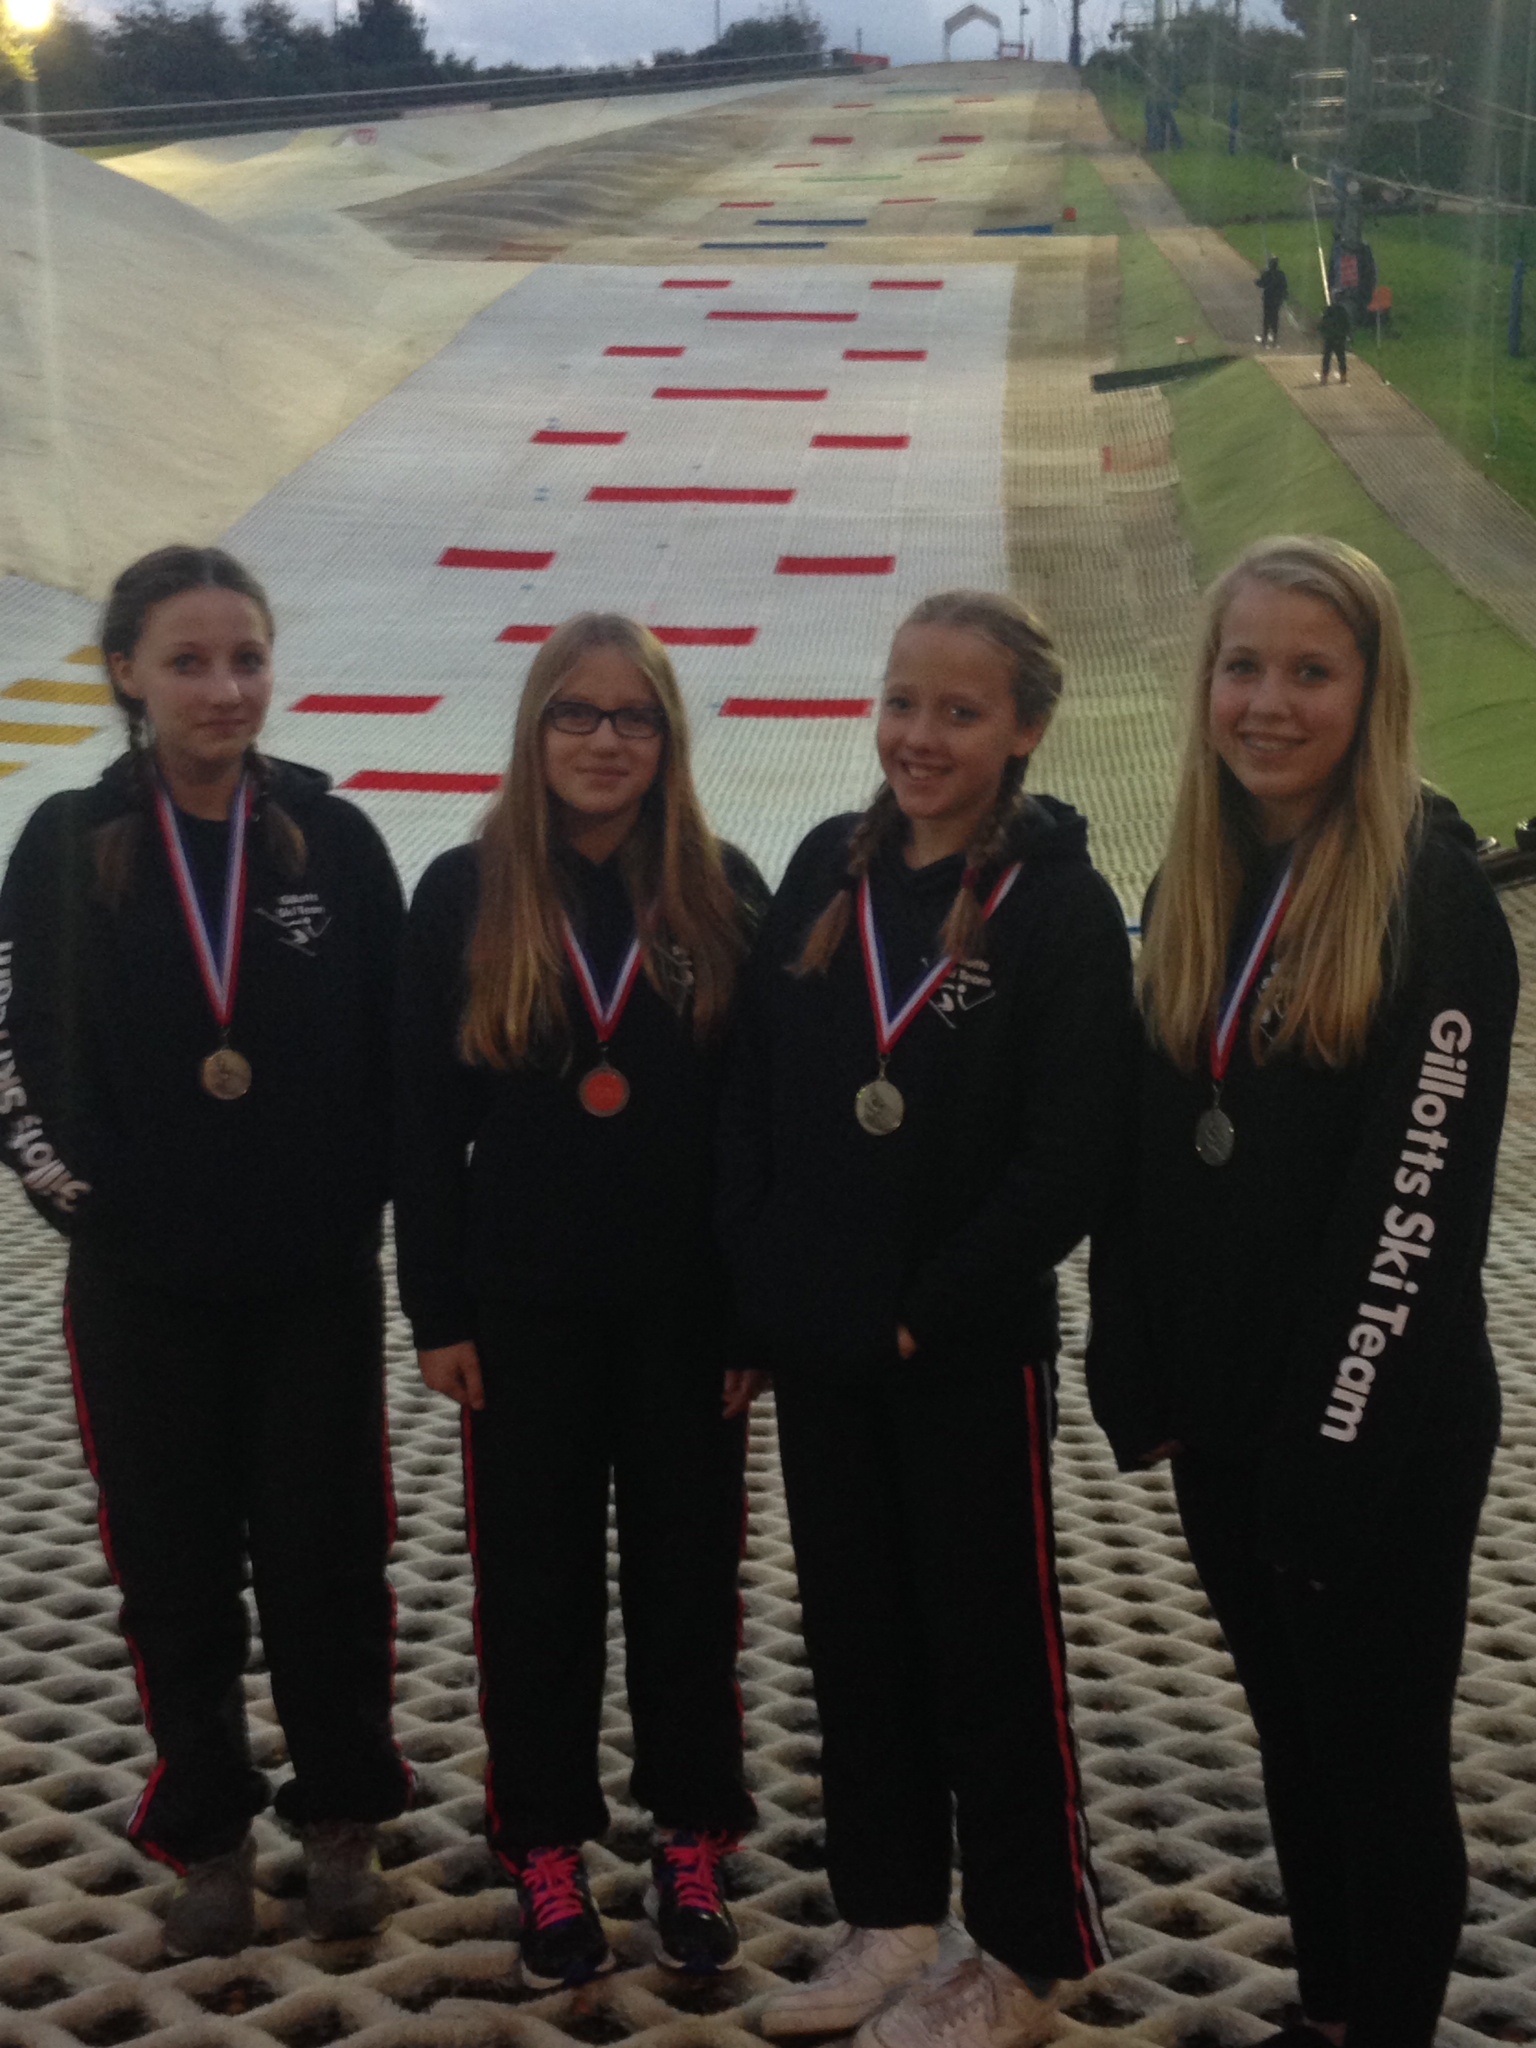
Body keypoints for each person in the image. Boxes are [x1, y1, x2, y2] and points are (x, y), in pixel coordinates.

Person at [1087, 537, 1518, 2048]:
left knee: (1377, 1758)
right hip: (1226, 1423)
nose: (1268, 703)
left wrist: (1330, 1453)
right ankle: (1331, 2013)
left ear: (1373, 691)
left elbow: (1414, 1220)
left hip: (1374, 1428)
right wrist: (1135, 1363)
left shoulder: (1436, 903)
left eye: (1310, 672)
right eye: (1243, 666)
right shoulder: (1194, 881)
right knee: (1292, 1739)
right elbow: (1148, 1156)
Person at [718, 591, 1130, 2048]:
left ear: (1025, 730)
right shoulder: (827, 864)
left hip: (963, 1352)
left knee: (988, 1653)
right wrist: (768, 1291)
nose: (921, 737)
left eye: (961, 711)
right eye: (903, 701)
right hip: (827, 1342)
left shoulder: (1061, 910)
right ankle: (889, 1913)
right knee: (856, 1639)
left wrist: (924, 1314)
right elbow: (758, 1094)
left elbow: (1070, 1157)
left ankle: (1026, 1949)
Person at [0, 546, 412, 1957]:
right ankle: (209, 1829)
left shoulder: (333, 841)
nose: (225, 688)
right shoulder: (66, 843)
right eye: (189, 661)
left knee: (328, 1558)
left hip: (310, 1285)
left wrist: (351, 1209)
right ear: (127, 672)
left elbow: (397, 1054)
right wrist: (99, 1212)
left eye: (247, 658)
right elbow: (21, 1054)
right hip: (142, 1286)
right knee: (171, 1571)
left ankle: (343, 1811)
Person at [393, 614, 767, 1990]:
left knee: (690, 1584)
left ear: (668, 738)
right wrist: (437, 1309)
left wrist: (753, 1317)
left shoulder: (722, 891)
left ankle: (691, 1833)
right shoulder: (464, 891)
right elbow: (421, 1124)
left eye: (635, 717)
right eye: (577, 712)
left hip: (686, 1319)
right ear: (535, 728)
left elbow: (758, 1127)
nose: (606, 740)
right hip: (523, 1314)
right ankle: (543, 1842)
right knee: (533, 1588)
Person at [1256, 255, 1289, 347]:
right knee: (1275, 319)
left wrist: (1258, 280)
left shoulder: (1267, 274)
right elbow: (1284, 287)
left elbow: (1261, 284)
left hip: (1268, 299)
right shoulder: (1281, 275)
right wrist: (1284, 296)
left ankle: (1265, 338)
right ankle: (1274, 339)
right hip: (1277, 300)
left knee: (1267, 318)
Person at [1318, 296, 1351, 384]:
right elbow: (1347, 324)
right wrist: (1346, 334)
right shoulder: (1343, 312)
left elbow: (1323, 324)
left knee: (1327, 357)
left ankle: (1324, 376)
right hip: (1339, 337)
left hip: (1330, 337)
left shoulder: (1328, 311)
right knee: (1341, 357)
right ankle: (1343, 376)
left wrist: (1323, 333)